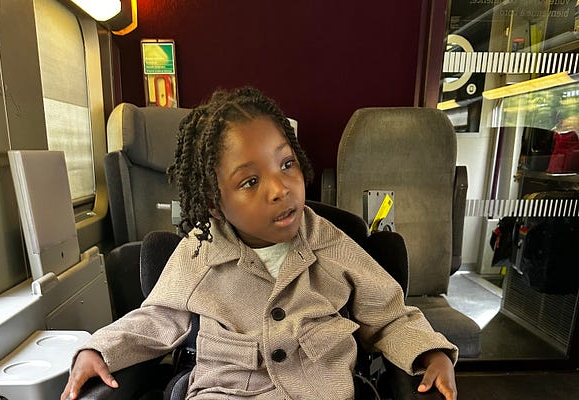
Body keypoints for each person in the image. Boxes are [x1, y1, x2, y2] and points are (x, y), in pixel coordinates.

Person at [61, 87, 458, 400]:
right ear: (215, 203)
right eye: (250, 181)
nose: (280, 188)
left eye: (286, 164)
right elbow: (157, 319)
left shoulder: (332, 245)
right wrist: (100, 349)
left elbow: (388, 315)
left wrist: (428, 351)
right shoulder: (200, 252)